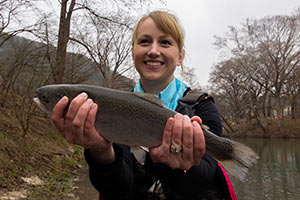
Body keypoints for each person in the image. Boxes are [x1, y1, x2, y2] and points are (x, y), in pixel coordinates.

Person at [51, 10, 236, 200]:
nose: (153, 51)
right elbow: (116, 188)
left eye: (165, 42)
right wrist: (100, 151)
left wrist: (171, 165)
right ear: (133, 54)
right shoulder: (112, 107)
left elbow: (203, 179)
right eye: (144, 41)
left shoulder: (202, 106)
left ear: (180, 56)